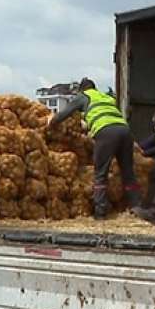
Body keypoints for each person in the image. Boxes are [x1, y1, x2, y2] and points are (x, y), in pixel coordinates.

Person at [48, 77, 141, 219]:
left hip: (106, 132)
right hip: (124, 131)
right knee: (128, 172)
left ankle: (100, 212)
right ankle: (136, 207)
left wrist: (52, 121)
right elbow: (105, 114)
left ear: (82, 89)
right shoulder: (106, 97)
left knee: (100, 174)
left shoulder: (83, 96)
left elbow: (65, 113)